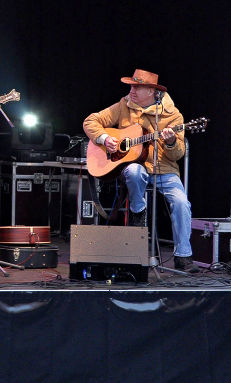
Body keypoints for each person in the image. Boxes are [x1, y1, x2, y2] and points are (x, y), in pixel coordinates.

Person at [83, 69, 198, 274]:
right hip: (136, 167)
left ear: (151, 91)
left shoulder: (173, 115)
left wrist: (171, 141)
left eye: (137, 87)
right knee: (134, 171)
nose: (132, 91)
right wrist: (104, 139)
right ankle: (138, 211)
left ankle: (183, 255)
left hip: (164, 169)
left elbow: (177, 155)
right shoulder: (124, 105)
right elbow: (90, 121)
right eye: (131, 87)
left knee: (182, 203)